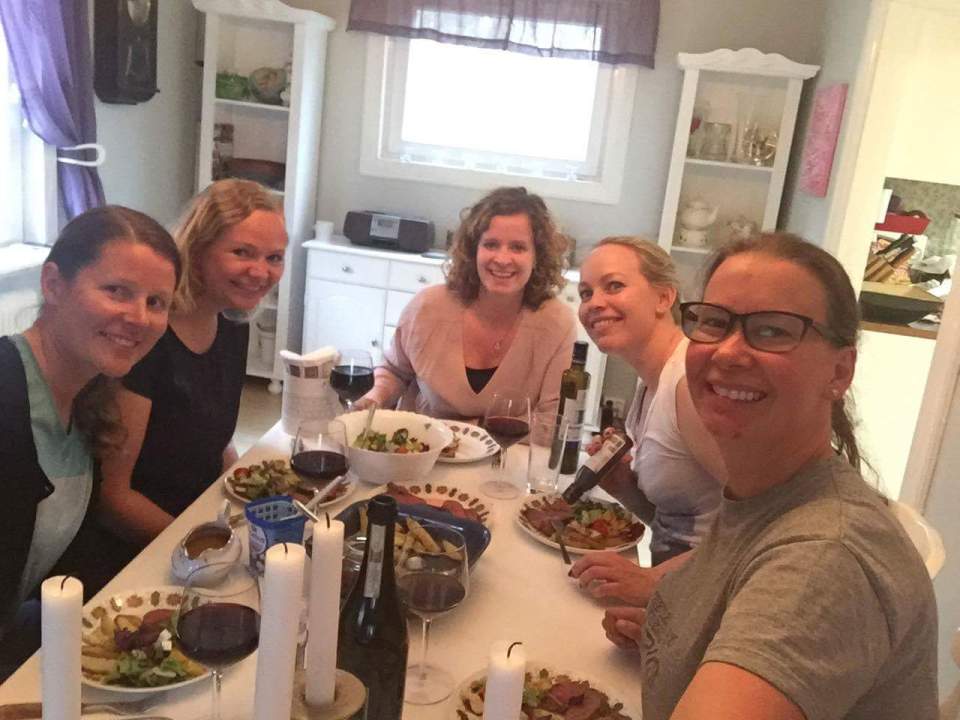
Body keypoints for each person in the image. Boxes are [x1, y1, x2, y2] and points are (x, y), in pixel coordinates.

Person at [607, 233, 937, 720]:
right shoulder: (757, 495)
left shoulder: (826, 558)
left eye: (772, 331)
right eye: (714, 322)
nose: (728, 352)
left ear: (839, 371)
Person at [0, 206, 180, 675]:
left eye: (156, 302)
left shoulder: (90, 402)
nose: (138, 317)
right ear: (53, 284)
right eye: (116, 291)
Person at [98, 179, 287, 548]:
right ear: (197, 248)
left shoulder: (232, 324)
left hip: (199, 518)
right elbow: (114, 499)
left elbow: (213, 440)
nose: (260, 272)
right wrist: (211, 544)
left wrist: (252, 497)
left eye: (274, 258)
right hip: (140, 544)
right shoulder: (147, 337)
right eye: (242, 252)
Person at [569, 237, 725, 604]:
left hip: (711, 598)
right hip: (674, 589)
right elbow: (674, 520)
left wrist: (653, 581)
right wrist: (624, 487)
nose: (594, 303)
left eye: (614, 286)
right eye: (586, 293)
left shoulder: (688, 387)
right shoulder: (649, 384)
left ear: (664, 298)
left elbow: (761, 523)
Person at [359, 186, 576, 418]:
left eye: (518, 247)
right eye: (491, 244)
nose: (502, 259)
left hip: (510, 442)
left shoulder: (557, 324)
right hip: (422, 438)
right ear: (473, 251)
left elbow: (552, 418)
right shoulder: (426, 307)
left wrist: (472, 433)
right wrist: (374, 398)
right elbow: (394, 371)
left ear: (537, 257)